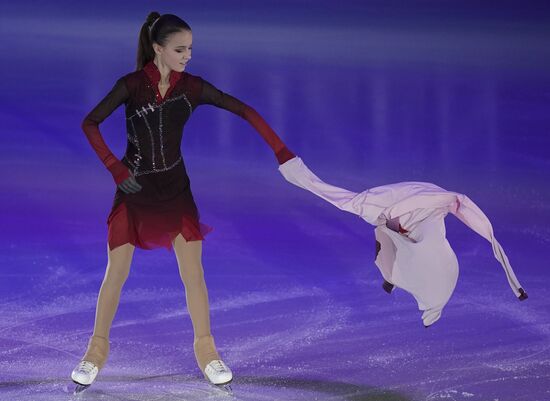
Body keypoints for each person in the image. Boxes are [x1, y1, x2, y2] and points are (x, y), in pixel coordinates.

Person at [71, 11, 295, 390]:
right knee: (117, 274)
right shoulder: (130, 85)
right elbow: (89, 122)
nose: (188, 55)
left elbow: (244, 109)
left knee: (194, 275)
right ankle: (96, 351)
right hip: (134, 190)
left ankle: (207, 351)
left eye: (190, 49)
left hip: (175, 191)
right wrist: (115, 168)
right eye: (180, 49)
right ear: (158, 49)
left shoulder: (192, 88)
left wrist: (282, 152)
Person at [278, 156, 528, 327]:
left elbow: (468, 214)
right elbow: (325, 191)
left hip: (420, 216)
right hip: (406, 215)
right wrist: (292, 168)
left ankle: (417, 296)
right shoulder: (373, 207)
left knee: (431, 281)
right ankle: (403, 284)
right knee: (397, 253)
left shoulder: (408, 217)